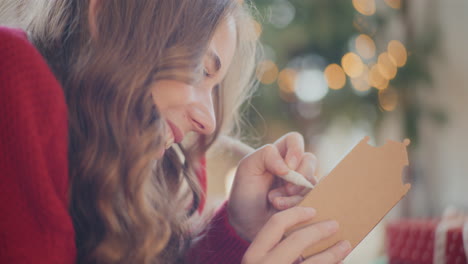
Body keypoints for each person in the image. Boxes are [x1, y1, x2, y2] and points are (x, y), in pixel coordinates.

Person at [0, 0, 352, 263]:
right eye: (201, 69)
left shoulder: (130, 175)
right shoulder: (11, 75)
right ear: (107, 16)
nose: (208, 121)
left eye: (215, 88)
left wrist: (239, 230)